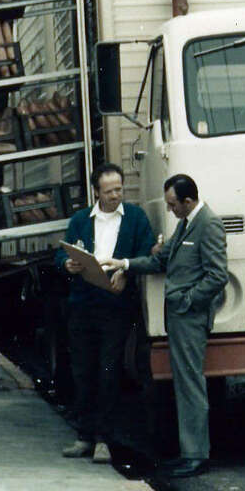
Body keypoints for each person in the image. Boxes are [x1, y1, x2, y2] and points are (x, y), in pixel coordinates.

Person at [106, 174, 227, 478]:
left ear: (188, 201)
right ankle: (190, 452)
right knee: (185, 385)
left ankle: (197, 455)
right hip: (179, 317)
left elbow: (217, 276)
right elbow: (162, 262)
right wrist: (127, 264)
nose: (171, 210)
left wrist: (187, 301)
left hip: (189, 317)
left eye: (174, 205)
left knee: (190, 386)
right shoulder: (186, 223)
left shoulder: (208, 224)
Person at [54, 163, 155, 463]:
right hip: (83, 304)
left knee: (109, 372)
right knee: (82, 371)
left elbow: (146, 251)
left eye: (119, 189)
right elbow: (62, 252)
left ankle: (103, 440)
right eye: (109, 191)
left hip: (115, 306)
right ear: (95, 192)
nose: (115, 196)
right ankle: (84, 435)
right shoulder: (80, 220)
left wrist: (126, 270)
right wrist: (66, 264)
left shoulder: (135, 218)